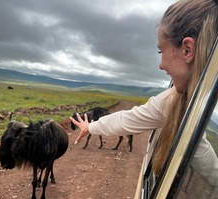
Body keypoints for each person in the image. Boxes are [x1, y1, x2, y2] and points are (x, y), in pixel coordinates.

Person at [70, 0, 218, 183]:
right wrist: (90, 127)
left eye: (160, 51)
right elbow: (126, 119)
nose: (161, 65)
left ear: (187, 50)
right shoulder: (177, 100)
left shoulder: (185, 101)